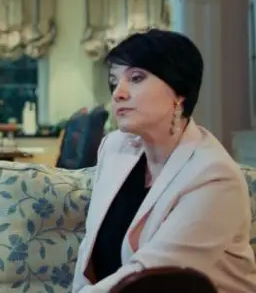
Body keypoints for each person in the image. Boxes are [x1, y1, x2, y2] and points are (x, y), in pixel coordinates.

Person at [72, 29, 256, 292]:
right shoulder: (114, 148)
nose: (118, 93)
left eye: (136, 78)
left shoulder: (214, 177)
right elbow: (88, 255)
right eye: (114, 81)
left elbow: (149, 278)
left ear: (179, 93)